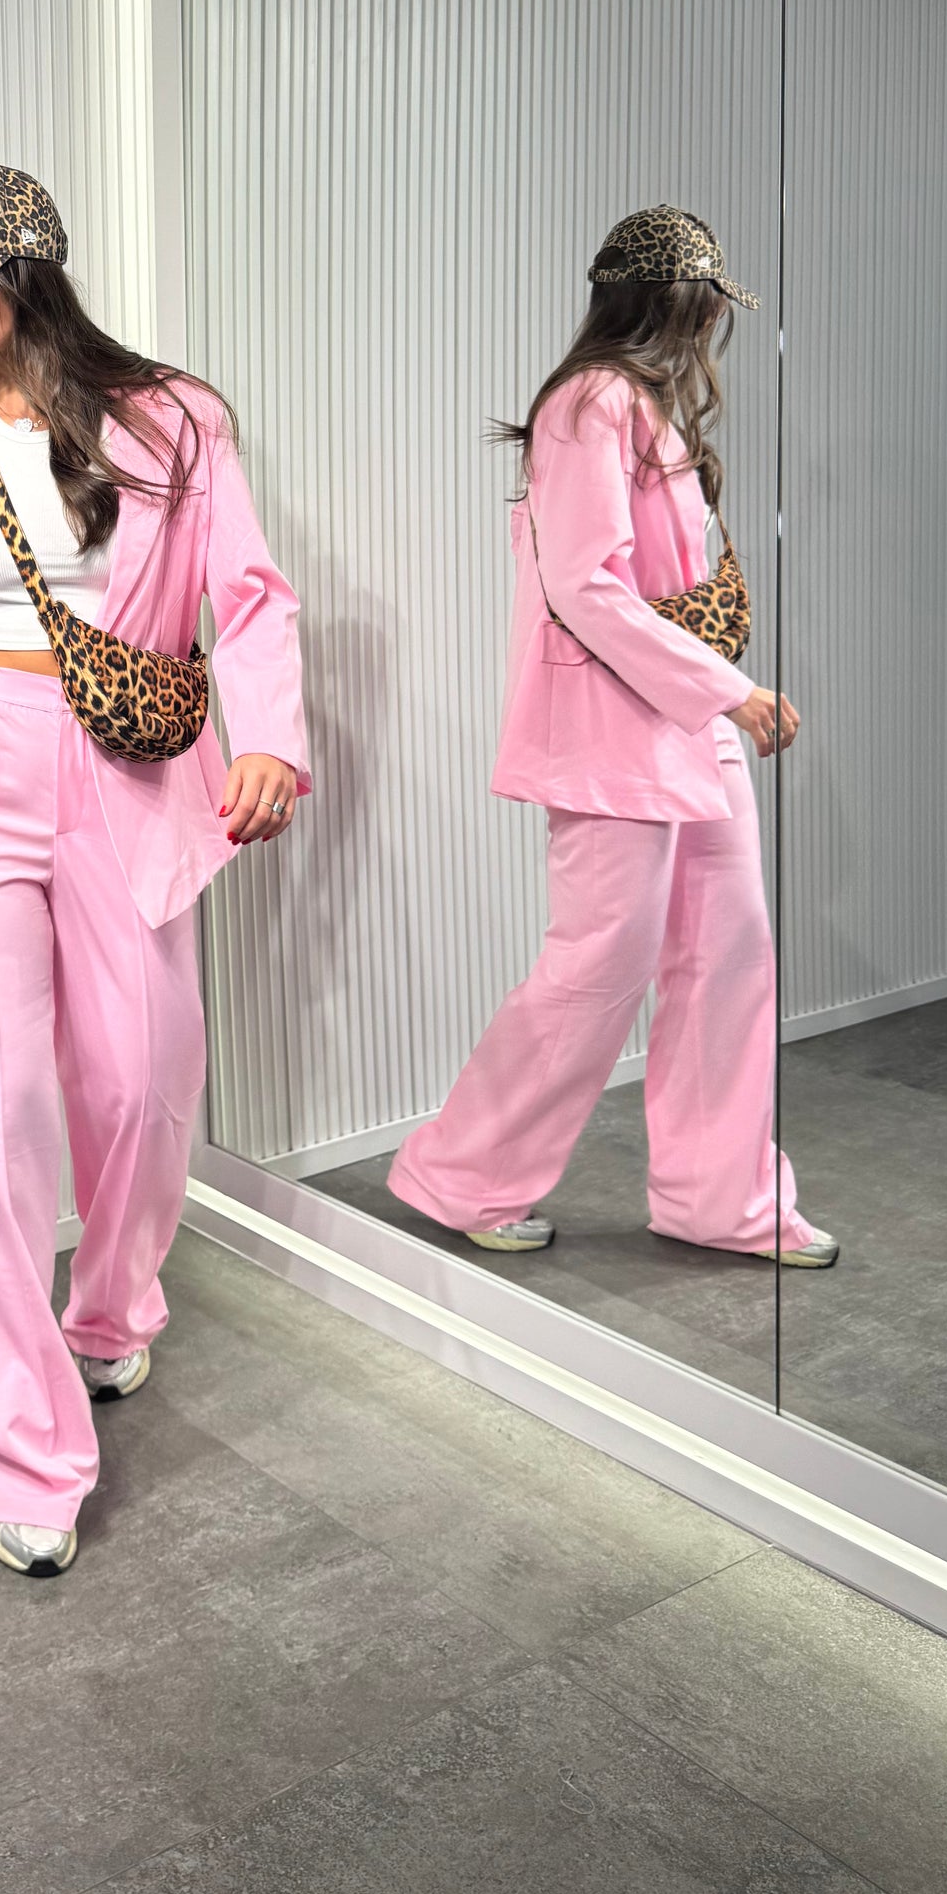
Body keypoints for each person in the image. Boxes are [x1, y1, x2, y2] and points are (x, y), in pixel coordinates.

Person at [0, 164, 310, 1576]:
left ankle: (112, 1305)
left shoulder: (169, 418)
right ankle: (24, 1448)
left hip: (121, 763)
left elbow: (249, 593)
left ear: (29, 277)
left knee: (141, 1076)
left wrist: (270, 736)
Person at [387, 206, 837, 1268]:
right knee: (599, 966)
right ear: (672, 304)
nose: (711, 325)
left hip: (684, 721)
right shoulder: (589, 403)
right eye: (705, 305)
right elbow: (585, 586)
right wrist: (728, 688)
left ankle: (722, 1199)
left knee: (729, 956)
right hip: (614, 733)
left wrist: (714, 697)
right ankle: (462, 1174)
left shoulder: (641, 406)